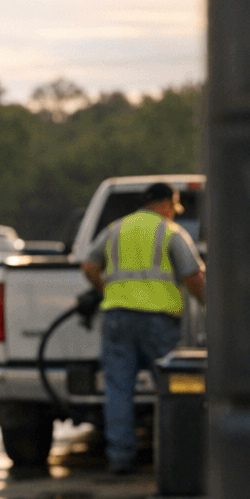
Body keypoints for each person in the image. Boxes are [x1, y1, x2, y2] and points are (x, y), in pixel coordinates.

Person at [81, 182, 206, 475]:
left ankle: (120, 459)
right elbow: (193, 276)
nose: (173, 214)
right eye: (173, 208)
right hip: (158, 321)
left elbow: (89, 266)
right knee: (169, 391)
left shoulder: (115, 229)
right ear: (165, 204)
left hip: (116, 319)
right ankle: (172, 458)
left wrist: (105, 289)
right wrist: (209, 304)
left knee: (118, 390)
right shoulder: (170, 232)